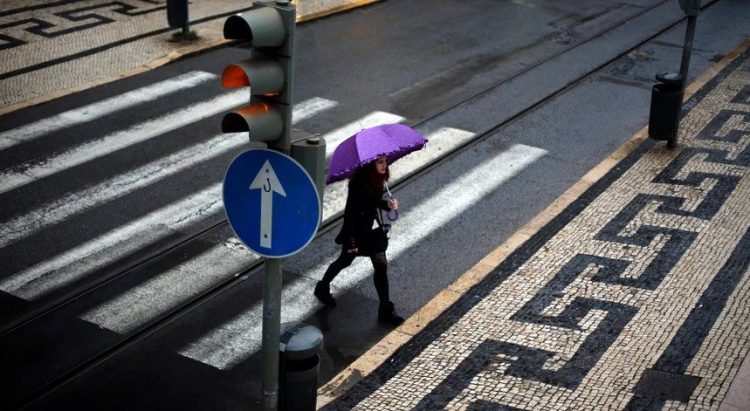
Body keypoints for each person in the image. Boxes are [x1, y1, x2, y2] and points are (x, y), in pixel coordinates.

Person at [314, 155, 405, 326]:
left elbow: (373, 202)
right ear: (371, 165)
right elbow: (350, 215)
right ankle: (322, 287)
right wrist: (352, 243)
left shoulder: (377, 180)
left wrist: (388, 205)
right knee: (344, 260)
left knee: (381, 265)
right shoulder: (358, 185)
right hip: (356, 234)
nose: (384, 165)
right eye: (380, 162)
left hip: (371, 233)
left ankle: (385, 309)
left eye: (385, 161)